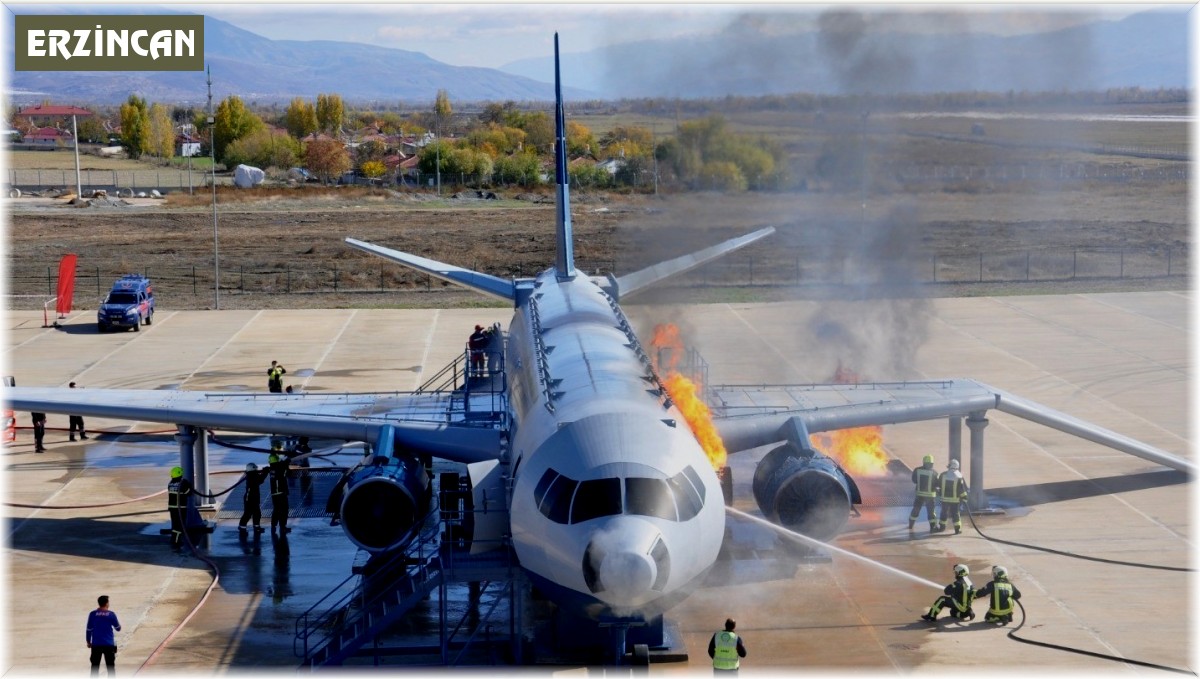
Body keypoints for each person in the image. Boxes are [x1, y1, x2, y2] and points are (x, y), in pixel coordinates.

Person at [85, 594, 121, 677]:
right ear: (107, 603)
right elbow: (118, 628)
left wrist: (88, 641)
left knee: (94, 667)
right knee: (110, 667)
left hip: (96, 644)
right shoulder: (111, 614)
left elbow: (89, 629)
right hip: (108, 644)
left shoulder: (92, 614)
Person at [935, 459, 970, 534]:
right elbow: (961, 489)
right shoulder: (959, 476)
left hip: (944, 500)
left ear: (949, 465)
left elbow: (938, 485)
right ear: (957, 467)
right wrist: (965, 497)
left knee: (943, 513)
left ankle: (942, 527)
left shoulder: (943, 475)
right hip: (955, 500)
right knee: (956, 514)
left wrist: (939, 493)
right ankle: (957, 529)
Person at [909, 454, 938, 533]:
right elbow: (937, 484)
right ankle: (932, 527)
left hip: (919, 495)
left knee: (916, 510)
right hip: (930, 496)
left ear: (923, 462)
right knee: (931, 512)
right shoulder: (934, 473)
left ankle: (911, 525)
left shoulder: (917, 470)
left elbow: (914, 480)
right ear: (932, 463)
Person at [167, 466, 193, 550]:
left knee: (174, 524)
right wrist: (189, 486)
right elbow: (188, 493)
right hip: (180, 508)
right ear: (180, 474)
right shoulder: (183, 483)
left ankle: (173, 539)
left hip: (172, 508)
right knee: (179, 525)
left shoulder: (170, 483)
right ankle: (176, 541)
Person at [238, 462, 268, 534]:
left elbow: (259, 478)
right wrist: (265, 472)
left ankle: (256, 526)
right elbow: (260, 480)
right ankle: (242, 527)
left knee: (257, 513)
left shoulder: (252, 475)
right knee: (248, 513)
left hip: (253, 497)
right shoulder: (252, 476)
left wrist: (264, 472)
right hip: (250, 498)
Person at [268, 451, 291, 535]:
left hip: (276, 493)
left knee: (277, 510)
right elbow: (285, 468)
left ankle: (273, 525)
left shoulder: (273, 468)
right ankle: (282, 527)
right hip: (280, 492)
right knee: (283, 510)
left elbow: (284, 467)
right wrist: (288, 458)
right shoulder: (278, 468)